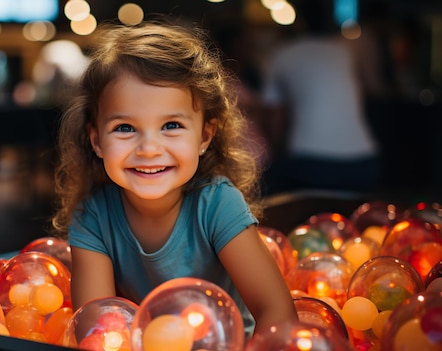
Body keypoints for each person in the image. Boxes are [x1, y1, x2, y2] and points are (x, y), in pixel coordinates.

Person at [50, 19, 298, 337]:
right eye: (125, 128)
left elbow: (277, 313)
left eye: (171, 125)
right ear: (97, 140)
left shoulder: (218, 204)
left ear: (205, 136)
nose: (150, 149)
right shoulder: (93, 216)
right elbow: (97, 329)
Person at [259, 0, 380, 195]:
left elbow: (273, 117)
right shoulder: (344, 51)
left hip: (310, 162)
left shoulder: (282, 54)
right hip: (363, 160)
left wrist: (280, 152)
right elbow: (365, 91)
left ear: (298, 21)